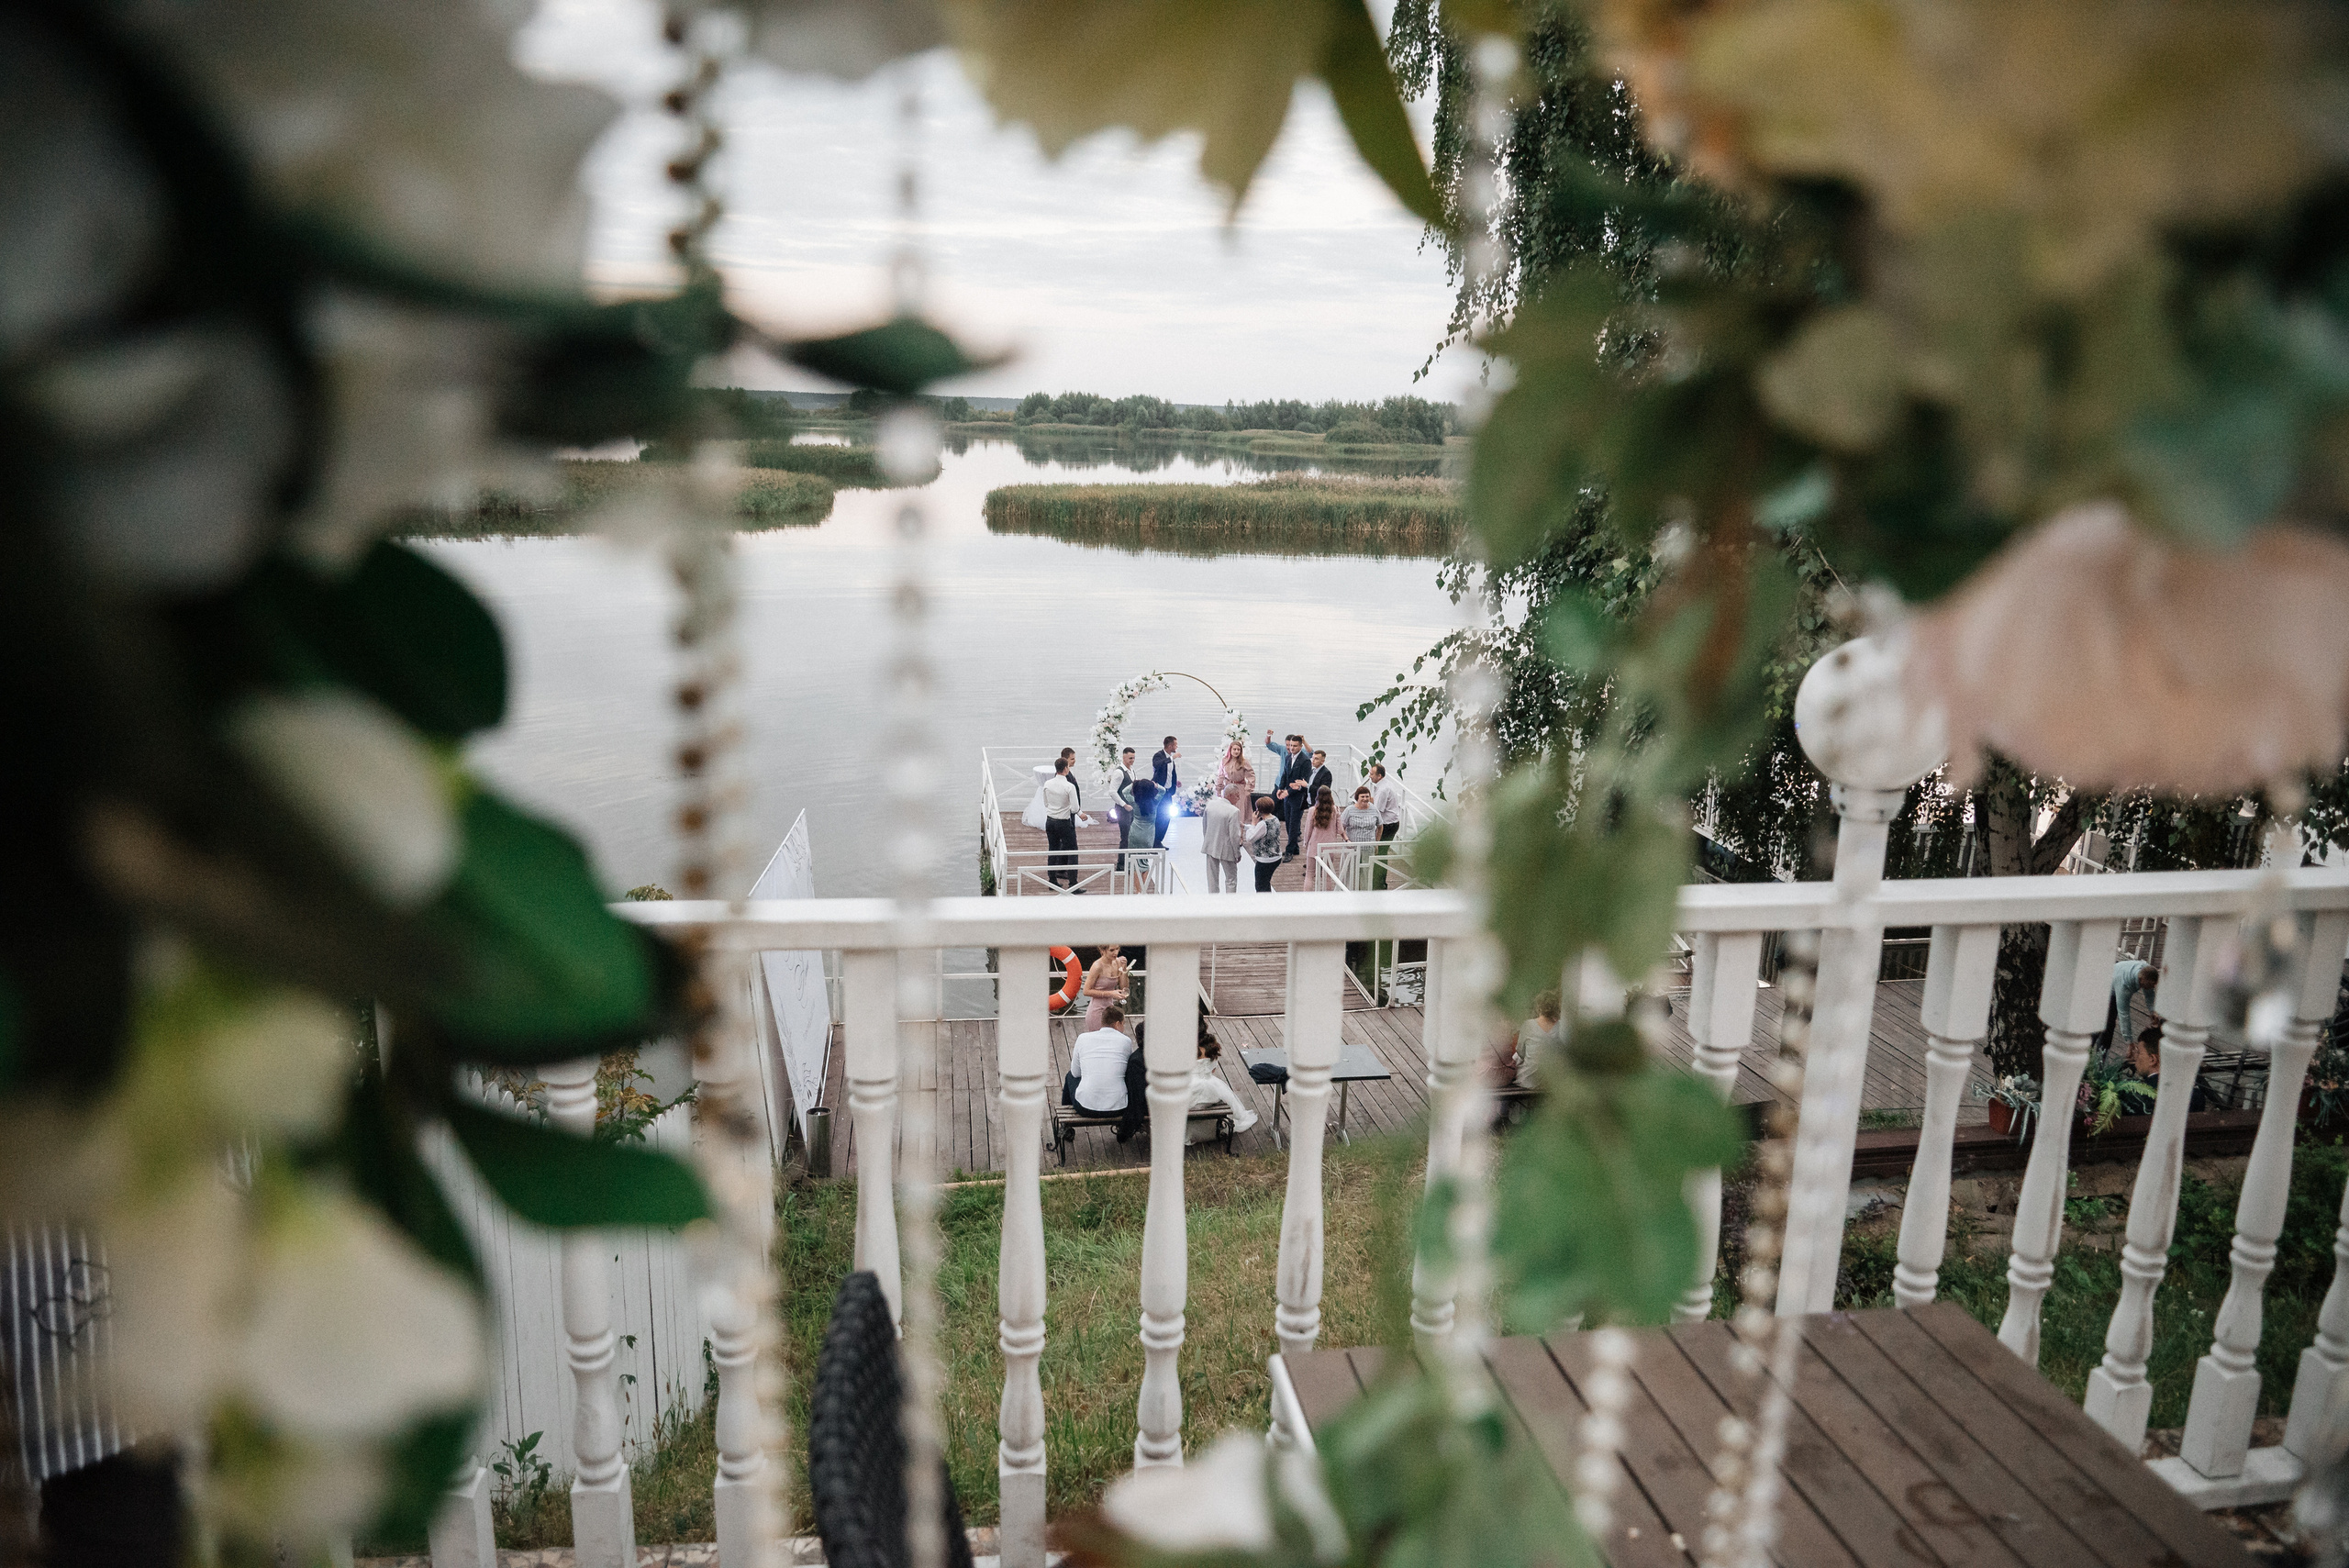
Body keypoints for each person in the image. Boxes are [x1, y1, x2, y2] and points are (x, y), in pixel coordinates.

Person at [1066, 1004, 1147, 1141]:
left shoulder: (1083, 1038)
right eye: (1123, 1024)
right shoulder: (1126, 1041)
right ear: (1117, 1024)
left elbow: (1075, 1073)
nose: (1123, 1027)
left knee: (1069, 1076)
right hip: (1119, 1106)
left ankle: (1067, 1125)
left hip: (1085, 1107)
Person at [1187, 1033, 1262, 1142]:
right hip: (1208, 1090)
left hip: (1187, 1093)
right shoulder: (1210, 1050)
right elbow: (1212, 1070)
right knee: (1221, 1094)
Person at [2097, 958, 2164, 1058]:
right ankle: (2098, 1059)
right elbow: (2124, 1014)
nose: (2153, 986)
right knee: (2108, 1025)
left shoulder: (2146, 971)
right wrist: (2129, 1041)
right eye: (2151, 985)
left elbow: (2150, 994)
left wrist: (2152, 1011)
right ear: (2141, 980)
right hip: (2106, 986)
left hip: (2118, 971)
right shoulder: (2125, 987)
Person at [1264, 730, 1313, 858]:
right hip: (1287, 795)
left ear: (1300, 746)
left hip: (1298, 797)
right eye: (1290, 745)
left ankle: (1290, 850)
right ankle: (1295, 848)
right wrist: (1280, 788)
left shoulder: (1305, 761)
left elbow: (1302, 782)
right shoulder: (1287, 757)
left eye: (1295, 746)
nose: (1292, 748)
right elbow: (1285, 775)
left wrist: (1288, 792)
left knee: (1294, 824)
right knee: (1288, 821)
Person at [1040, 754, 1080, 889]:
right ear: (1065, 769)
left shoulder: (1047, 784)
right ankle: (1073, 883)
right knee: (1072, 851)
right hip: (1063, 822)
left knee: (1053, 850)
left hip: (1050, 821)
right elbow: (1074, 808)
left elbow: (1046, 803)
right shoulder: (1069, 786)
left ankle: (1052, 881)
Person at [1297, 784, 1343, 886]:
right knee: (1327, 876)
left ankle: (1308, 898)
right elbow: (1340, 830)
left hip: (1314, 846)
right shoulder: (1335, 810)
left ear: (1318, 796)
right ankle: (1327, 899)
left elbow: (1308, 830)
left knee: (1309, 874)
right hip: (1329, 847)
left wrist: (1306, 843)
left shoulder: (1312, 810)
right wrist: (1339, 814)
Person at [1200, 789, 1243, 893]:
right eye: (1237, 796)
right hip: (1226, 849)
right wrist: (1237, 853)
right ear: (1230, 795)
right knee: (1231, 879)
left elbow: (1204, 825)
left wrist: (1207, 840)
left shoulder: (1210, 805)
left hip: (1210, 845)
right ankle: (1229, 903)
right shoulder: (1234, 811)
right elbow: (1234, 836)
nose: (1239, 799)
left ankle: (1214, 900)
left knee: (1212, 877)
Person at [1080, 942, 1130, 1030]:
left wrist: (1124, 969)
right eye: (1112, 950)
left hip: (1110, 1011)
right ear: (1102, 951)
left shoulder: (1118, 962)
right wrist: (1111, 993)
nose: (1116, 953)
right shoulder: (1097, 966)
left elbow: (1124, 987)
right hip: (1096, 1011)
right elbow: (1086, 991)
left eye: (1117, 949)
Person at [1244, 795, 1285, 893]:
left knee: (1260, 885)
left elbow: (1250, 838)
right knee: (1266, 882)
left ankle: (1264, 904)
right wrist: (1246, 826)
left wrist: (1253, 823)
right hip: (1276, 856)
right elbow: (1258, 831)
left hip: (1265, 859)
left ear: (1259, 809)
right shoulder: (1275, 819)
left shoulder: (1263, 824)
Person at [1109, 746, 1138, 873]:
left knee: (1131, 836)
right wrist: (1123, 804)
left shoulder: (1132, 770)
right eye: (1130, 758)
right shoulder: (1119, 773)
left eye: (1134, 758)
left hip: (1131, 809)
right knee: (1125, 837)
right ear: (1124, 757)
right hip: (1122, 810)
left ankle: (1130, 861)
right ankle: (1121, 864)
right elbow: (1112, 792)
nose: (1132, 760)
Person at [1151, 735, 1181, 846]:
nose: (1177, 747)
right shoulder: (1158, 756)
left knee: (1166, 816)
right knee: (1158, 816)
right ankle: (1153, 841)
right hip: (1159, 792)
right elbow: (1157, 765)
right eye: (1175, 745)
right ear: (1170, 745)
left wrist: (1175, 782)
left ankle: (1159, 840)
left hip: (1168, 791)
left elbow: (1170, 773)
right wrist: (1172, 758)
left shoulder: (1170, 759)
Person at [1368, 762, 1405, 843]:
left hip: (1387, 824)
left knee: (1379, 850)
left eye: (1372, 774)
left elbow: (1377, 810)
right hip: (1394, 821)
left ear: (1379, 776)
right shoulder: (1387, 783)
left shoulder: (1382, 789)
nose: (1369, 776)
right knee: (1383, 849)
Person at [1214, 738, 1255, 808]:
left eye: (1238, 750)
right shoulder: (1224, 761)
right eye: (1234, 749)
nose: (1236, 751)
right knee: (1227, 807)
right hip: (1228, 787)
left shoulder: (1244, 762)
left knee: (1240, 808)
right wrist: (1219, 789)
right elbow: (1221, 775)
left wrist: (1248, 789)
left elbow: (1251, 775)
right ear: (1230, 750)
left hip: (1240, 787)